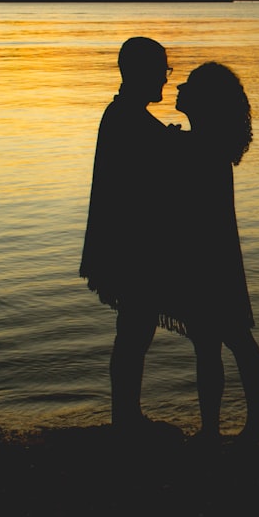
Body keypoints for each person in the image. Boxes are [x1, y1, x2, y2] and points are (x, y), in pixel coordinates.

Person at [165, 62, 259, 444]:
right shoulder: (202, 142)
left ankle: (244, 424)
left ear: (204, 100)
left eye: (189, 84)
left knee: (226, 340)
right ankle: (226, 425)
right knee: (218, 341)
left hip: (209, 256)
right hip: (211, 253)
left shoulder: (201, 145)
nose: (179, 87)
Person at [79, 36, 174, 432]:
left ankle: (127, 415)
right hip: (128, 249)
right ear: (142, 73)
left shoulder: (123, 115)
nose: (166, 82)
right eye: (162, 72)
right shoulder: (127, 120)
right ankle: (127, 419)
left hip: (123, 244)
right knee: (134, 332)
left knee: (135, 330)